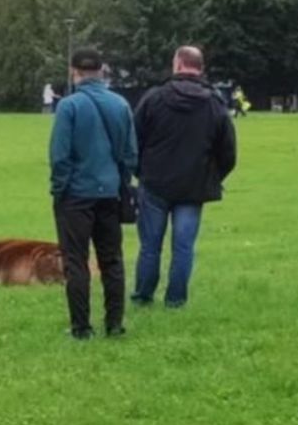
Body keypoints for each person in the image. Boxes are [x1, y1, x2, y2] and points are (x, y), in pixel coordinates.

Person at [131, 47, 238, 310]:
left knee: (150, 246)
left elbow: (133, 140)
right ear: (200, 68)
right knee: (183, 246)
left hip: (154, 182)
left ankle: (144, 295)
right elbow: (228, 152)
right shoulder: (214, 103)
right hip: (193, 187)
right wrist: (211, 177)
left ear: (177, 65)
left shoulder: (153, 99)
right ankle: (175, 300)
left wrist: (140, 172)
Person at [49, 49, 137, 340]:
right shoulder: (120, 104)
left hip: (76, 194)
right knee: (112, 260)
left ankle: (81, 327)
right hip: (110, 192)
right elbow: (130, 154)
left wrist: (60, 189)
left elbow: (60, 155)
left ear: (74, 71)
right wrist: (118, 181)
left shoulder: (68, 106)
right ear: (102, 70)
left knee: (76, 261)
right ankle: (114, 324)